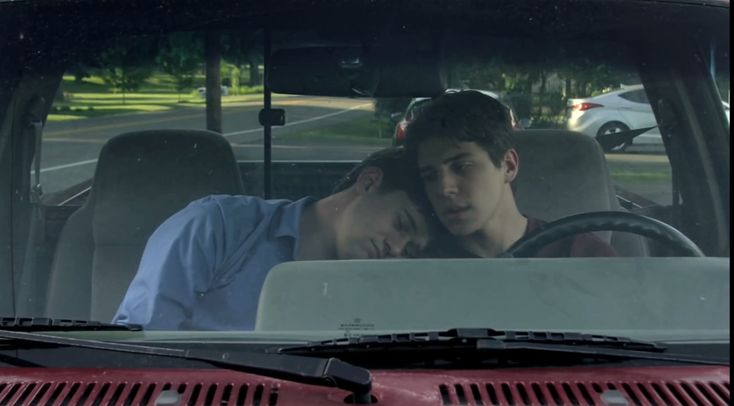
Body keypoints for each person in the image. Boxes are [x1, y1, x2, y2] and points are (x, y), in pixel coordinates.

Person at [113, 147, 431, 330]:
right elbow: (138, 348)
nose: (398, 249)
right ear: (369, 182)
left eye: (412, 251)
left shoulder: (382, 292)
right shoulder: (218, 227)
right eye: (402, 223)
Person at [404, 90, 616, 258]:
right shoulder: (425, 266)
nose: (444, 189)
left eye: (462, 167)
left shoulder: (581, 255)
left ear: (509, 166)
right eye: (430, 176)